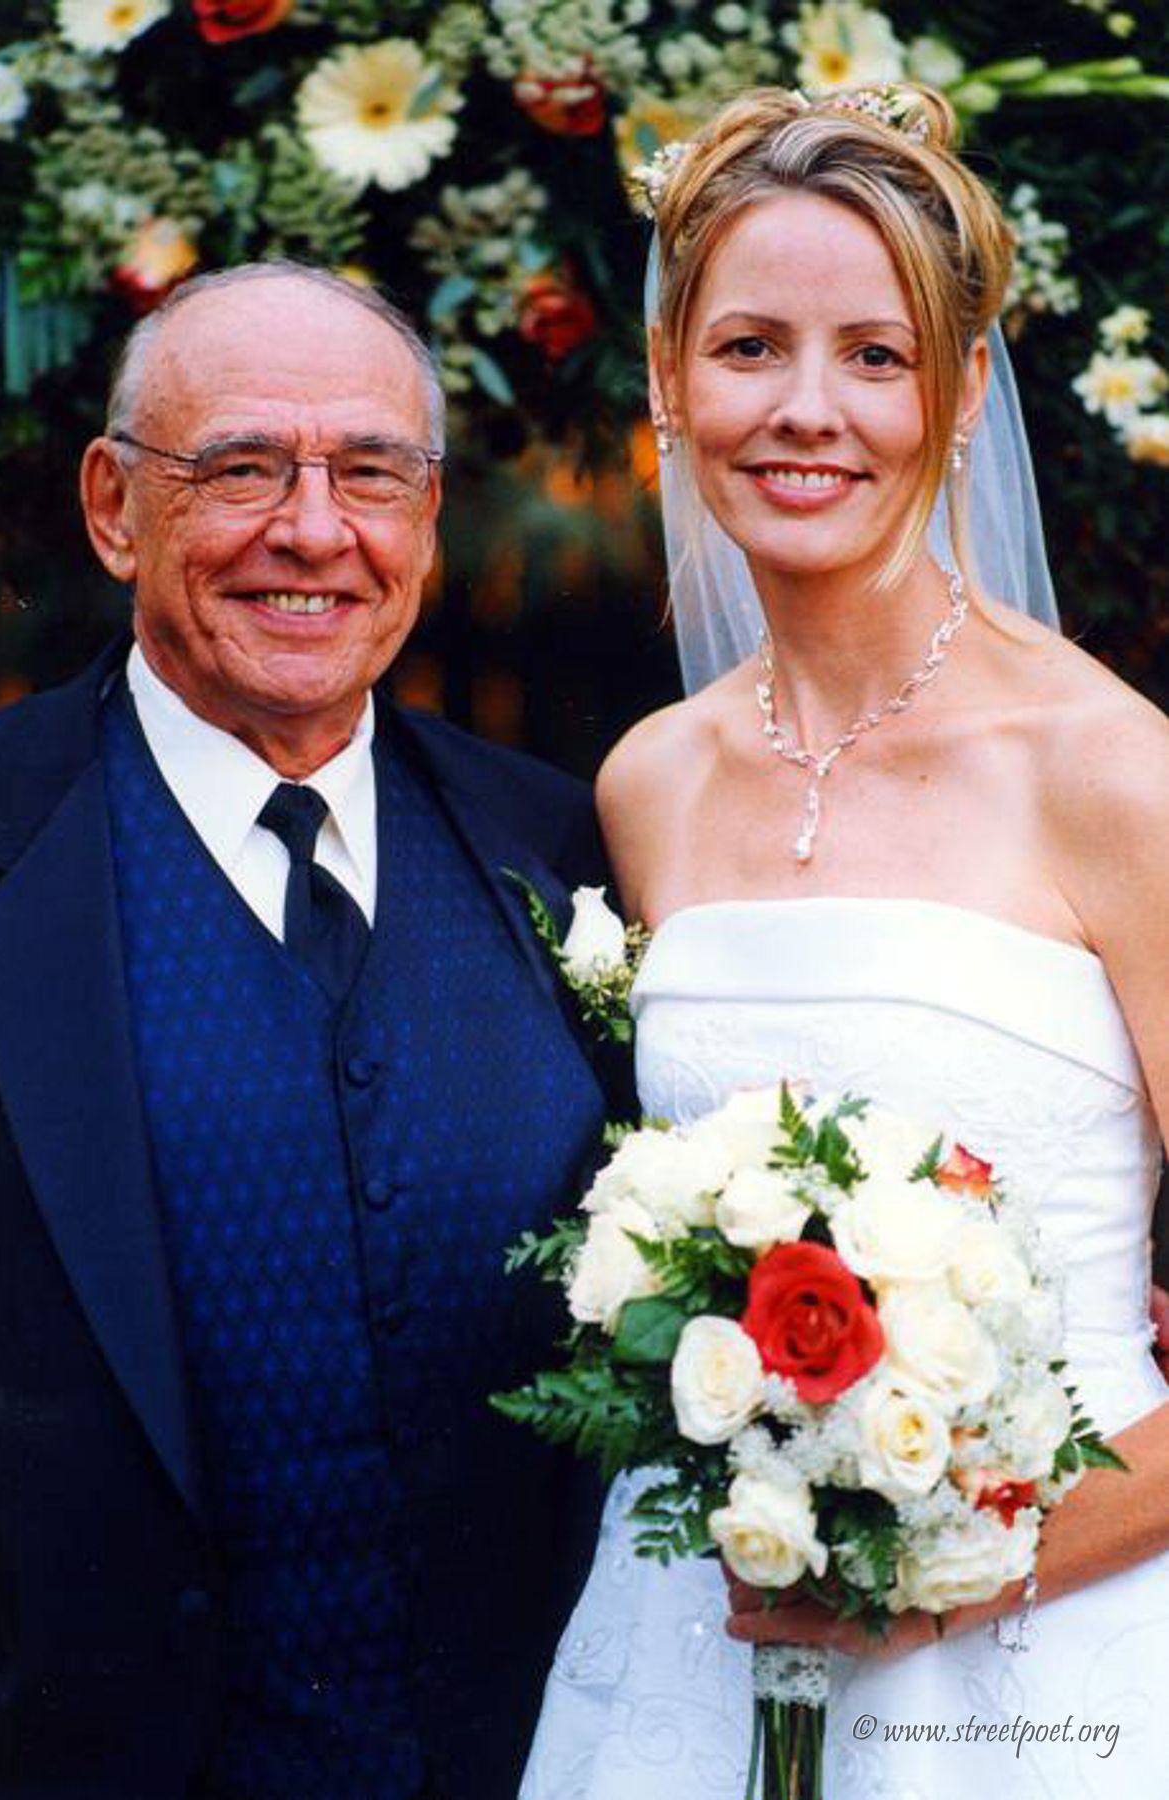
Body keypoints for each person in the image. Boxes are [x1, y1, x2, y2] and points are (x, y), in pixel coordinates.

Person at [522, 85, 1169, 1799]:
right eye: (749, 347)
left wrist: (936, 1586)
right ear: (670, 380)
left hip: (1043, 1670)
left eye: (876, 356)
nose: (806, 410)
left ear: (963, 393)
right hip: (697, 1624)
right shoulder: (652, 784)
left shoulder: (1115, 777)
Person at [0, 264, 614, 1800]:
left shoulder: (562, 848)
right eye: (244, 468)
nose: (316, 530)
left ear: (429, 518)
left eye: (371, 474)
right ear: (115, 508)